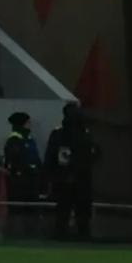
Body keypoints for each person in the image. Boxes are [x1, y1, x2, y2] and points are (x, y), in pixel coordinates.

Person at [46, 102, 99, 241]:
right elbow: (95, 155)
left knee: (62, 216)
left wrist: (51, 177)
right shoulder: (86, 135)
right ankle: (83, 241)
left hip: (63, 181)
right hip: (82, 182)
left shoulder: (58, 134)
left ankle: (61, 240)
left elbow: (50, 158)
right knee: (83, 218)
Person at [0, 110, 42, 238]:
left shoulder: (29, 139)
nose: (30, 125)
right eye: (28, 122)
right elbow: (17, 161)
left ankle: (29, 235)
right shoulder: (14, 140)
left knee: (30, 211)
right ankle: (14, 236)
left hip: (31, 182)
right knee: (17, 211)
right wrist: (28, 170)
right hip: (19, 183)